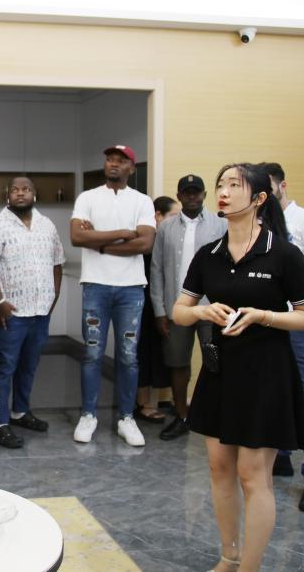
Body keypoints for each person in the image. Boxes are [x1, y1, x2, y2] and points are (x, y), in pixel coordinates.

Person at [172, 163, 304, 572]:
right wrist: (202, 311)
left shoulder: (283, 253)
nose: (224, 191)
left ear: (259, 198)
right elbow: (179, 311)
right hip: (219, 372)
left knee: (253, 475)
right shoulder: (209, 255)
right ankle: (228, 556)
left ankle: (249, 568)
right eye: (221, 184)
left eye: (234, 185)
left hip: (266, 374)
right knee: (220, 469)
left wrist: (263, 316)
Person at [69, 145, 156, 447]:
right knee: (92, 353)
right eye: (109, 160)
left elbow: (145, 244)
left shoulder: (142, 201)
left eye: (121, 161)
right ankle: (88, 415)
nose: (113, 164)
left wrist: (100, 243)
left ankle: (126, 418)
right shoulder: (88, 198)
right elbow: (77, 236)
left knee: (128, 356)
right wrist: (123, 232)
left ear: (132, 168)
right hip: (96, 285)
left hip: (131, 289)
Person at [263, 162, 304, 513]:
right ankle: (282, 456)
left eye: (268, 186)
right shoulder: (259, 224)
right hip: (263, 323)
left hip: (294, 324)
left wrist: (303, 317)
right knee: (272, 393)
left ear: (282, 185)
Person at [0, 176, 65, 449]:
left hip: (41, 311)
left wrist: (53, 295)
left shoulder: (47, 225)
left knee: (29, 365)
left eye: (26, 189)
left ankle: (20, 412)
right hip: (11, 313)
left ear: (34, 194)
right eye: (15, 190)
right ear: (7, 195)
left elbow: (57, 262)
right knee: (5, 367)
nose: (20, 193)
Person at [150, 177, 227, 441]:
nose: (192, 197)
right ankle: (182, 416)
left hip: (211, 308)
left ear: (204, 194)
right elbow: (157, 270)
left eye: (196, 193)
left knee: (214, 362)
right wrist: (160, 311)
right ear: (179, 195)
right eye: (187, 193)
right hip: (177, 309)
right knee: (177, 363)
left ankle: (215, 417)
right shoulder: (166, 228)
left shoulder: (221, 224)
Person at [135, 195, 179, 425]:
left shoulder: (169, 241)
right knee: (143, 351)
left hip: (164, 302)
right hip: (142, 302)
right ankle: (143, 404)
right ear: (157, 216)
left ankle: (159, 401)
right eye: (173, 216)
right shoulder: (145, 240)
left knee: (161, 352)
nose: (177, 221)